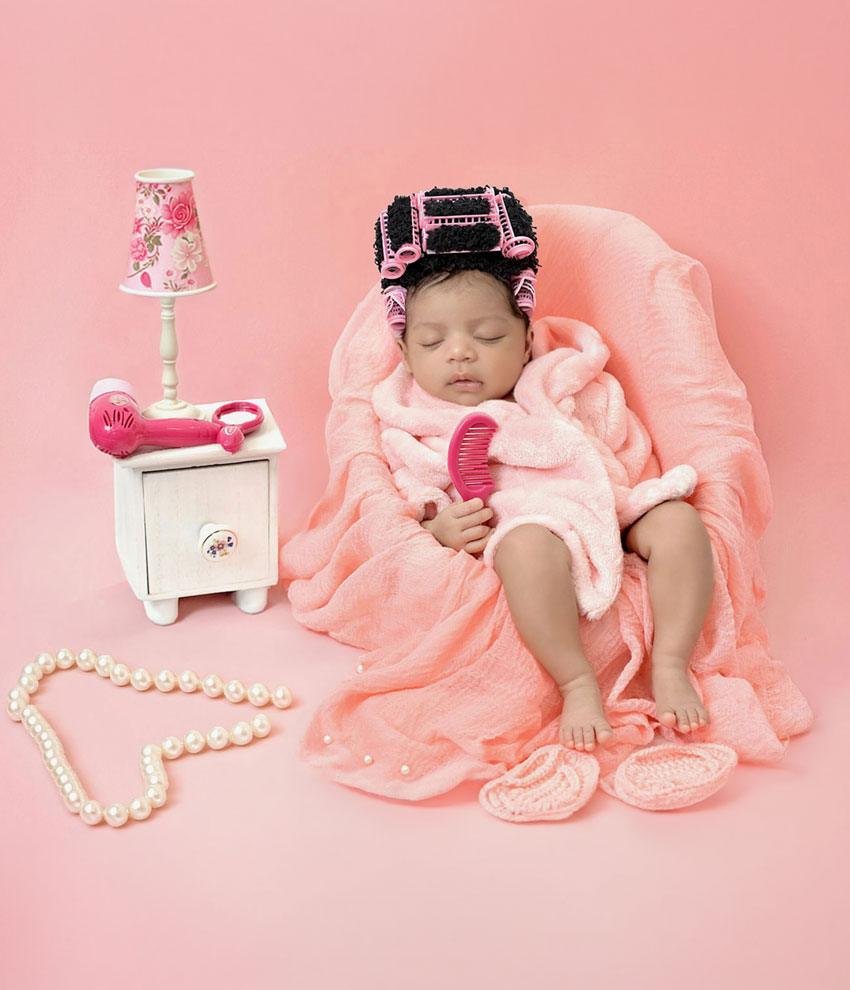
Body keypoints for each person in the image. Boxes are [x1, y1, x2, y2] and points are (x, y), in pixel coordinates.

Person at [374, 185, 714, 754]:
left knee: (680, 522)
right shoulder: (416, 422)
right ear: (406, 354)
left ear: (528, 339)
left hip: (607, 502)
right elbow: (409, 503)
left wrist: (632, 492)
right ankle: (577, 681)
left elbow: (619, 439)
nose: (461, 352)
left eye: (488, 336)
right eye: (433, 342)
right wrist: (441, 528)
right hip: (521, 523)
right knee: (530, 547)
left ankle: (673, 662)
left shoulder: (563, 381)